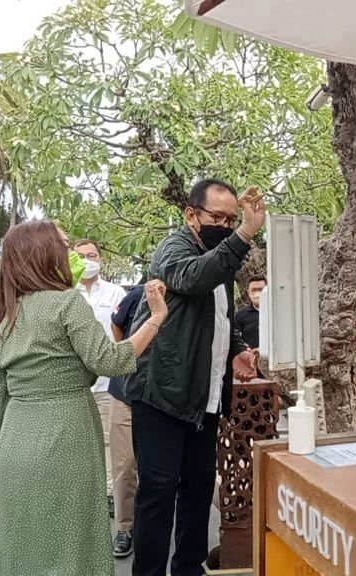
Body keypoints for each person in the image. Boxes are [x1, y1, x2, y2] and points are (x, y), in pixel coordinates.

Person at [0, 220, 168, 576]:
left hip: (14, 443)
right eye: (62, 245)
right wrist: (155, 318)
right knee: (72, 537)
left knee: (22, 541)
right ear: (45, 253)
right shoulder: (67, 303)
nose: (69, 254)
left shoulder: (2, 311)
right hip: (67, 434)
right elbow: (110, 361)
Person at [125, 178, 263, 576]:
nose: (225, 224)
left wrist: (238, 349)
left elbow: (222, 316)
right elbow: (193, 278)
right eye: (217, 217)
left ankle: (189, 567)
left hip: (204, 397)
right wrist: (244, 234)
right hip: (162, 394)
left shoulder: (221, 260)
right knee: (158, 493)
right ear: (191, 215)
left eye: (231, 218)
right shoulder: (175, 250)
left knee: (199, 490)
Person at [73, 238, 127, 515]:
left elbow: (122, 334)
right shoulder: (67, 293)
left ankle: (108, 492)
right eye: (80, 255)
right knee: (79, 441)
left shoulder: (116, 293)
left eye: (91, 254)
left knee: (108, 441)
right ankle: (83, 493)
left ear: (101, 258)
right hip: (76, 384)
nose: (86, 260)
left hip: (107, 381)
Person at [107, 282, 145, 557]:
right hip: (126, 395)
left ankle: (154, 527)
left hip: (164, 398)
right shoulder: (139, 294)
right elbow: (116, 325)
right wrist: (125, 359)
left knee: (158, 469)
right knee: (124, 466)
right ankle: (125, 527)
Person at [234, 275, 266, 351]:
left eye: (261, 290)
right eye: (254, 290)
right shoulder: (240, 316)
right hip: (251, 358)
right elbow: (236, 339)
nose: (257, 293)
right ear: (248, 292)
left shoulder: (278, 314)